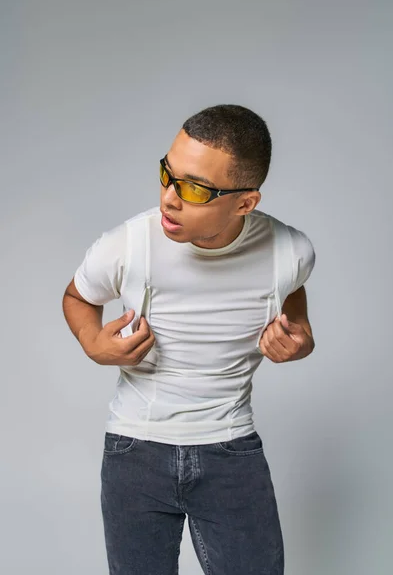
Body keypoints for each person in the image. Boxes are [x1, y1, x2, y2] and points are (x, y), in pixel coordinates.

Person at [62, 104, 316, 575]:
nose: (169, 199)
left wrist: (299, 336)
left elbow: (292, 290)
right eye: (167, 173)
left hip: (232, 451)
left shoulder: (290, 251)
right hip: (135, 451)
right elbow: (78, 296)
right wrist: (92, 343)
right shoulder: (127, 244)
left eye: (194, 188)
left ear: (245, 203)